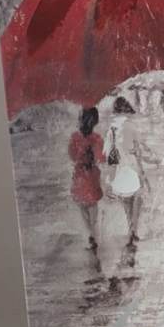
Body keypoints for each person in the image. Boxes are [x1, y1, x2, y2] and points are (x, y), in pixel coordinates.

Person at [106, 96, 158, 248]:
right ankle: (133, 230)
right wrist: (151, 159)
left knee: (126, 202)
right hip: (133, 167)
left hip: (120, 169)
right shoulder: (131, 126)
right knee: (137, 200)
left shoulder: (111, 129)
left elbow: (110, 155)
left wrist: (110, 178)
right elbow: (141, 147)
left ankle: (130, 228)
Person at [68, 106, 105, 251]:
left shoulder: (75, 138)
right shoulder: (97, 138)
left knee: (82, 205)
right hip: (92, 175)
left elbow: (72, 156)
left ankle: (90, 234)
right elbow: (101, 158)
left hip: (79, 175)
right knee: (92, 204)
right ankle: (94, 234)